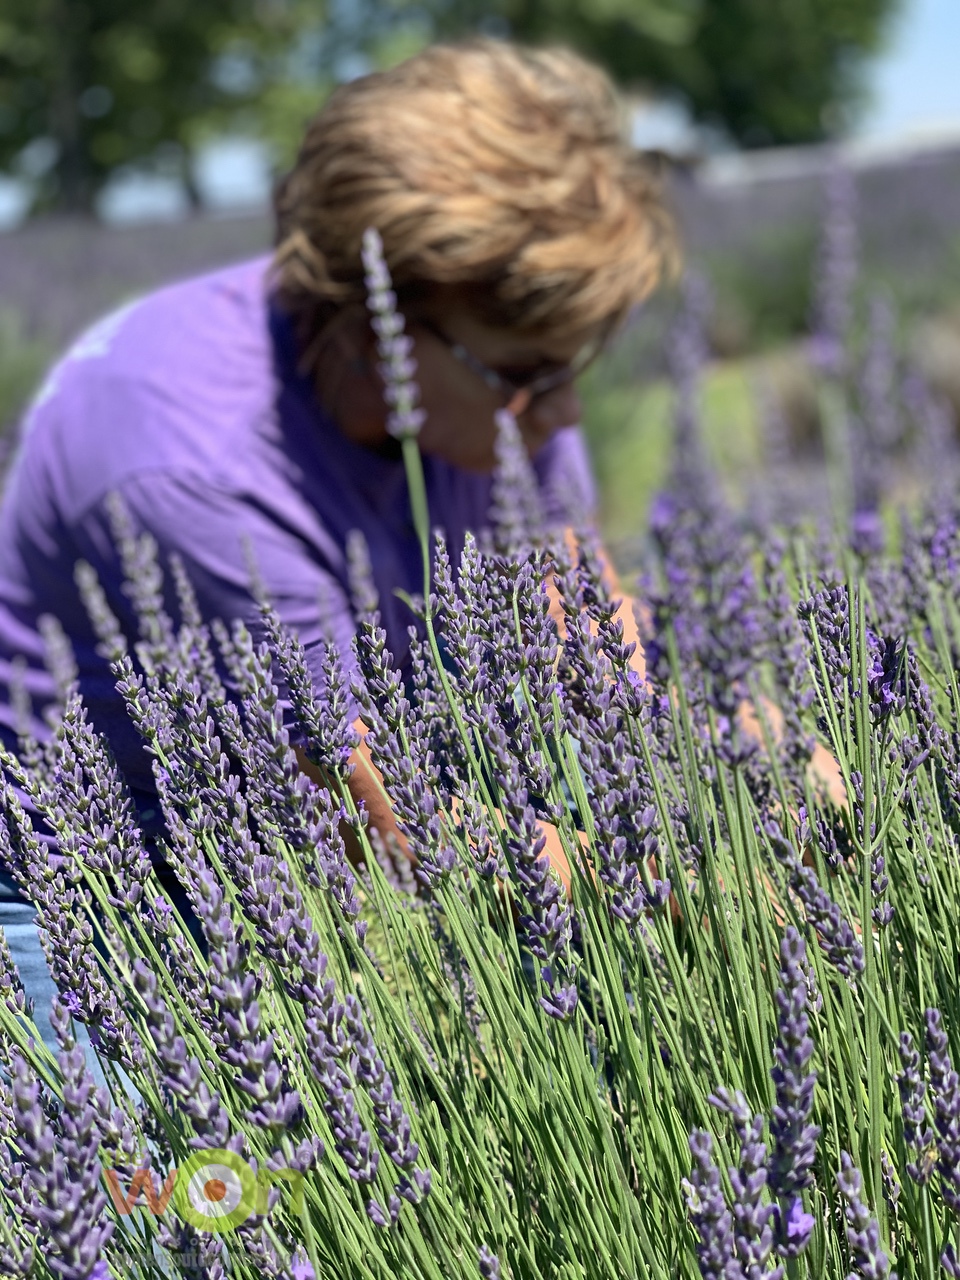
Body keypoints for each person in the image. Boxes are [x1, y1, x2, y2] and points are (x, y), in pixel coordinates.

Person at [0, 37, 675, 1048]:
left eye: (582, 359)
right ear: (376, 324)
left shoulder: (502, 384)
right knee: (183, 1200)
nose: (567, 410)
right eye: (533, 369)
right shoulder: (198, 467)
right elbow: (385, 822)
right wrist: (682, 879)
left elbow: (592, 635)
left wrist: (741, 775)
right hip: (87, 882)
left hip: (267, 831)